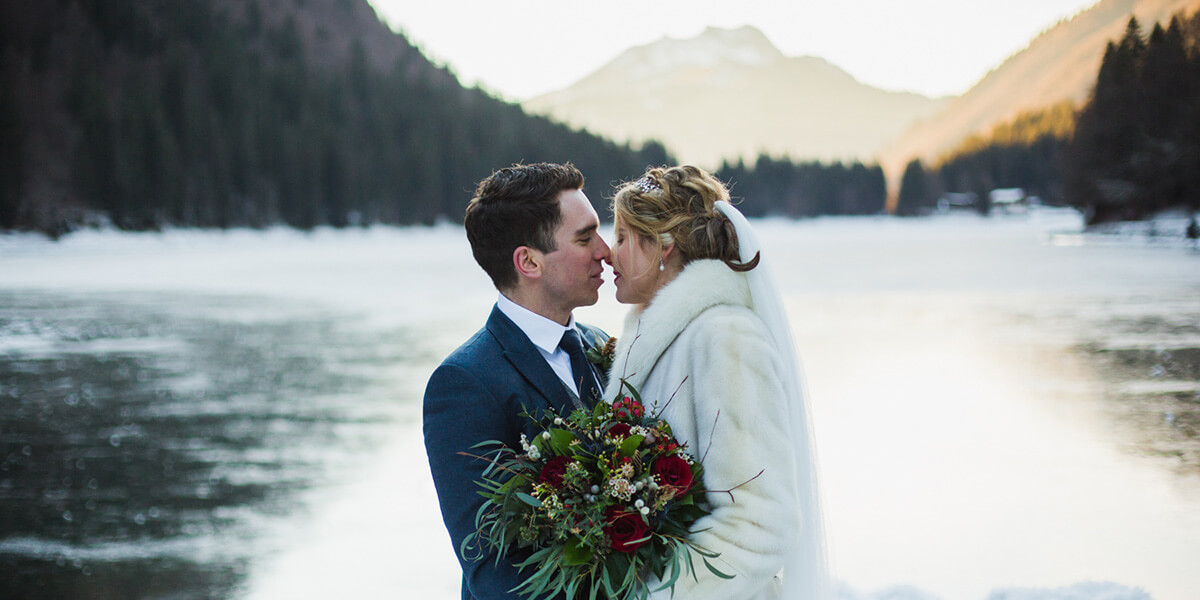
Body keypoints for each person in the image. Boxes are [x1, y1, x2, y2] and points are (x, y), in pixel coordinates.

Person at [603, 165, 830, 600]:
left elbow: (760, 520)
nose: (609, 254)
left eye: (622, 238)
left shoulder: (726, 337)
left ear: (664, 246)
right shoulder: (654, 337)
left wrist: (662, 595)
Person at [424, 162, 612, 600]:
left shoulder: (604, 347)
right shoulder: (464, 384)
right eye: (585, 238)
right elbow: (495, 571)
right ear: (528, 261)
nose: (605, 250)